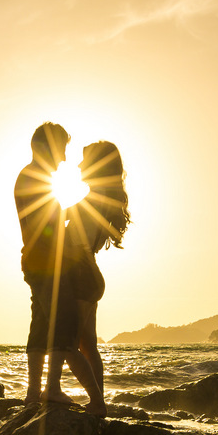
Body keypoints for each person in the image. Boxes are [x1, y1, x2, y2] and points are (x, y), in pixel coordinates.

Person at [14, 123, 102, 409]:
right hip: (46, 264)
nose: (64, 158)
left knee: (40, 326)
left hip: (35, 262)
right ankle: (72, 395)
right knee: (63, 325)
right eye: (62, 149)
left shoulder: (31, 177)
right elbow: (44, 226)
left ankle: (33, 393)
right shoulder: (34, 179)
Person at [64, 141, 131, 407]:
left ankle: (97, 402)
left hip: (81, 275)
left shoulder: (93, 201)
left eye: (84, 160)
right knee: (88, 345)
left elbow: (80, 241)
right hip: (90, 277)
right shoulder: (103, 200)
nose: (79, 165)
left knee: (66, 345)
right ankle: (97, 402)